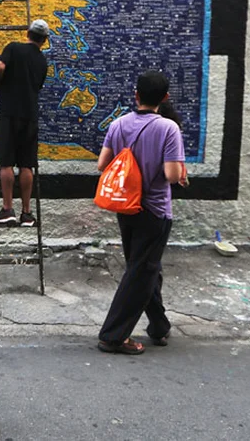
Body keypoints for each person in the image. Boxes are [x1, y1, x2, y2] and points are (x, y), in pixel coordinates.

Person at [96, 70, 186, 355]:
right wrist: (179, 171)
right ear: (165, 98)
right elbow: (171, 175)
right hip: (155, 210)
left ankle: (159, 326)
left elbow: (102, 165)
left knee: (146, 269)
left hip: (126, 207)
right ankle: (112, 335)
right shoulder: (169, 128)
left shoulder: (118, 124)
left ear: (136, 95)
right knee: (141, 272)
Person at [0, 19, 49, 227]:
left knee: (6, 162)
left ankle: (7, 209)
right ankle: (27, 213)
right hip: (30, 114)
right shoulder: (42, 61)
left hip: (9, 112)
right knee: (27, 164)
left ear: (28, 33)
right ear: (44, 40)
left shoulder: (13, 48)